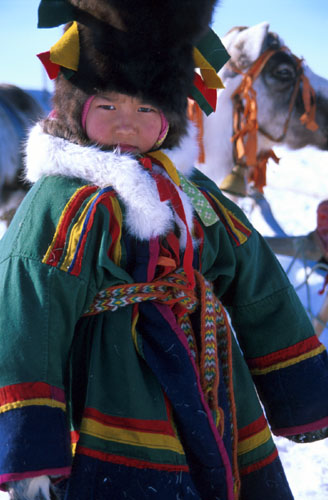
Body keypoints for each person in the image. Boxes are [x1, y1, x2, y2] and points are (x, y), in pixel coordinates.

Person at [1, 1, 328, 499]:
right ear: (76, 108)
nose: (127, 125)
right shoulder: (62, 200)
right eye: (109, 106)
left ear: (171, 119)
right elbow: (28, 312)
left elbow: (259, 281)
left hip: (210, 377)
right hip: (109, 386)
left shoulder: (192, 193)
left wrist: (302, 394)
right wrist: (29, 446)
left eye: (147, 109)